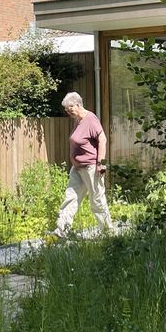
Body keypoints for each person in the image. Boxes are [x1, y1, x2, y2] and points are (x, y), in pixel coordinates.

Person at [51, 92, 112, 237]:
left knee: (97, 199)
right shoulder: (78, 120)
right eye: (66, 109)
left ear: (78, 105)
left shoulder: (90, 119)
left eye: (70, 107)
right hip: (77, 168)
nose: (68, 111)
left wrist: (101, 164)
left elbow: (102, 139)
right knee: (70, 198)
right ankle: (61, 231)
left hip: (91, 167)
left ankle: (108, 232)